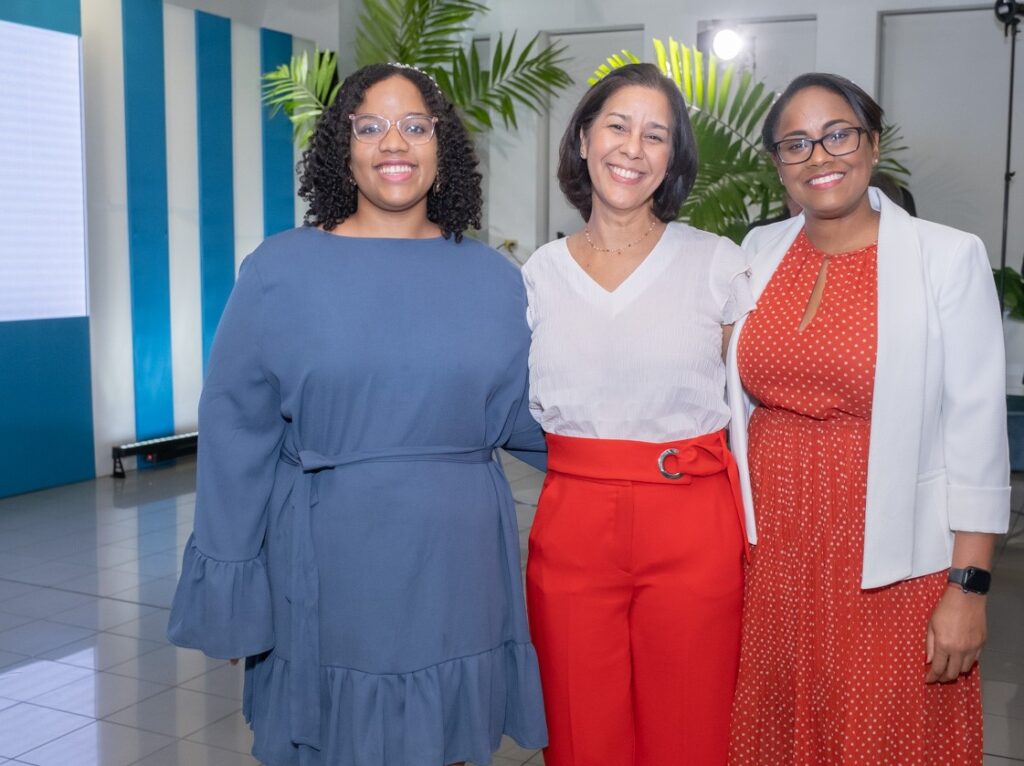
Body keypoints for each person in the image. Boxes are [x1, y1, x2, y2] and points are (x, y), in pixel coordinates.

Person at [167, 63, 548, 766]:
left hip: (457, 569)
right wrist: (237, 590)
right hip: (329, 562)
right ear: (342, 147)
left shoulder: (495, 280)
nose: (392, 144)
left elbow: (538, 417)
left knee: (446, 745)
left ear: (442, 144)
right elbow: (234, 434)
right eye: (369, 126)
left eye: (414, 126)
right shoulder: (279, 270)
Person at [726, 72, 1010, 765]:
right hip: (775, 558)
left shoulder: (946, 257)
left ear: (872, 143)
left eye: (837, 134)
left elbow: (976, 434)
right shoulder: (756, 253)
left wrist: (967, 590)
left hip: (891, 561)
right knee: (779, 732)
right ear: (778, 164)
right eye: (796, 143)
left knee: (884, 738)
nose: (819, 157)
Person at [523, 62, 754, 765]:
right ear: (585, 138)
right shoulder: (537, 274)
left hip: (693, 521)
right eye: (618, 126)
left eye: (656, 135)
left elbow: (753, 406)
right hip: (572, 522)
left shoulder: (719, 264)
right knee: (580, 730)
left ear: (673, 158)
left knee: (691, 729)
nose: (633, 148)